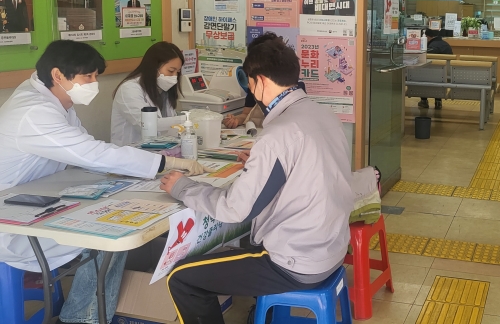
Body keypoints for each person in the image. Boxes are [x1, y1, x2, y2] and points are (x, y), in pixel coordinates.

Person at [0, 40, 208, 324]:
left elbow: (85, 147)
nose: (94, 83)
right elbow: (91, 153)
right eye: (88, 76)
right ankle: (82, 319)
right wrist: (166, 163)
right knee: (107, 238)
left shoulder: (52, 99)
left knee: (113, 223)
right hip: (11, 218)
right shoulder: (35, 112)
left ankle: (89, 312)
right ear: (59, 75)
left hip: (37, 197)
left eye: (96, 75)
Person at [160, 34, 354, 324]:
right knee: (241, 248)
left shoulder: (279, 134)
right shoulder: (322, 114)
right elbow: (311, 168)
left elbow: (235, 209)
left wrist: (182, 187)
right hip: (331, 247)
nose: (250, 89)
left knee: (181, 277)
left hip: (295, 262)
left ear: (260, 81)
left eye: (249, 82)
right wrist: (261, 163)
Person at [111, 42, 186, 146]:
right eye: (171, 70)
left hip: (159, 150)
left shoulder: (162, 89)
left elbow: (168, 124)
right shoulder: (129, 89)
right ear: (154, 66)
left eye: (177, 72)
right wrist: (185, 119)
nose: (174, 76)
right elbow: (147, 124)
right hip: (131, 152)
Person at [419, 28, 453, 110]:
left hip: (431, 76)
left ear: (427, 37)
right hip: (446, 75)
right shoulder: (446, 44)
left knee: (421, 74)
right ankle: (438, 100)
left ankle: (424, 100)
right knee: (436, 74)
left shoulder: (431, 47)